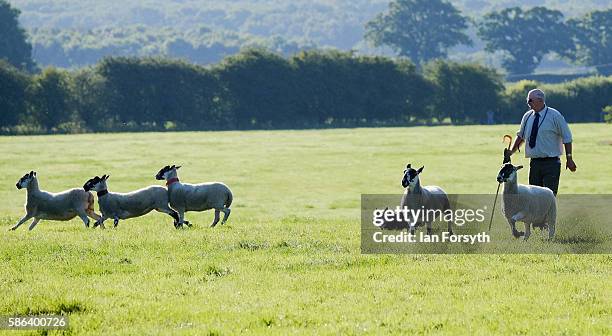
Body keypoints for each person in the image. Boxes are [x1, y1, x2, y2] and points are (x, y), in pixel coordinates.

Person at [505, 89, 576, 195]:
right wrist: (511, 152)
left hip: (551, 164)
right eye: (527, 101)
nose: (528, 104)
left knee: (548, 197)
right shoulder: (527, 116)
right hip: (534, 164)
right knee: (534, 198)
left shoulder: (554, 115)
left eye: (530, 101)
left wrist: (569, 158)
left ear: (540, 100)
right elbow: (521, 136)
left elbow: (567, 137)